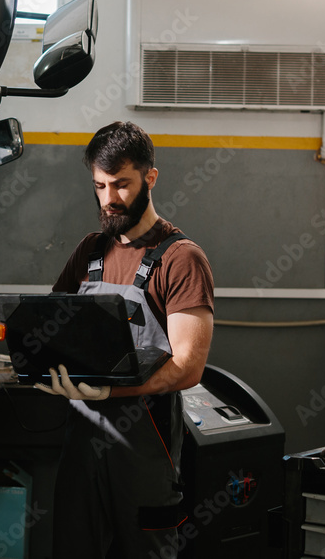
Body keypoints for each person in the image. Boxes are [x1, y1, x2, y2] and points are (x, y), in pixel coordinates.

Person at [36, 121, 215, 559]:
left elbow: (188, 367)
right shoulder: (90, 252)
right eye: (100, 186)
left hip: (144, 452)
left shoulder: (181, 259)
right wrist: (36, 362)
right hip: (82, 447)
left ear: (150, 178)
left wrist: (111, 391)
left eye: (121, 184)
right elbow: (50, 327)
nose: (109, 198)